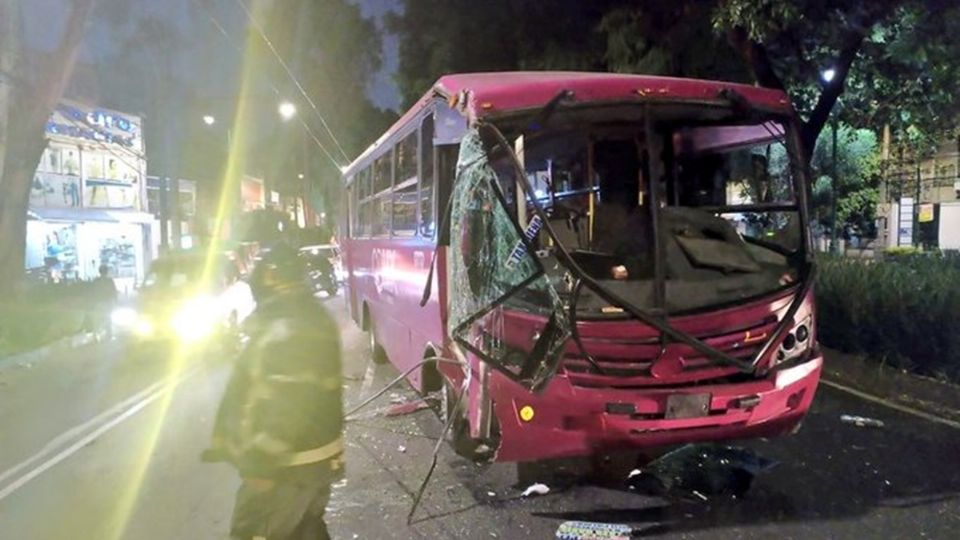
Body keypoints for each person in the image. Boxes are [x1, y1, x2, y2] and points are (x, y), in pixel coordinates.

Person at [203, 243, 344, 540]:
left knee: (252, 531)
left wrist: (262, 462)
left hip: (289, 466)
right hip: (310, 460)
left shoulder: (288, 327)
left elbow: (288, 403)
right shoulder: (300, 317)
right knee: (306, 531)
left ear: (271, 280)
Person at [92, 264, 118, 339]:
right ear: (106, 272)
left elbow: (92, 292)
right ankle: (108, 334)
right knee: (108, 318)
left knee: (97, 319)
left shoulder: (96, 281)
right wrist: (116, 301)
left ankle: (95, 334)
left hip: (98, 302)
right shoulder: (109, 281)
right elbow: (114, 291)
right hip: (107, 302)